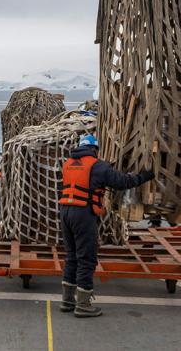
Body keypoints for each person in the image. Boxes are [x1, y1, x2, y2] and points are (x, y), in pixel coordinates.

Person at [58, 134, 154, 318]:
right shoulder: (98, 165)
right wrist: (144, 176)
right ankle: (83, 305)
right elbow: (123, 182)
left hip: (65, 212)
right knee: (86, 258)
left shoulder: (68, 163)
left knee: (72, 256)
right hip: (83, 214)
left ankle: (67, 301)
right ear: (95, 149)